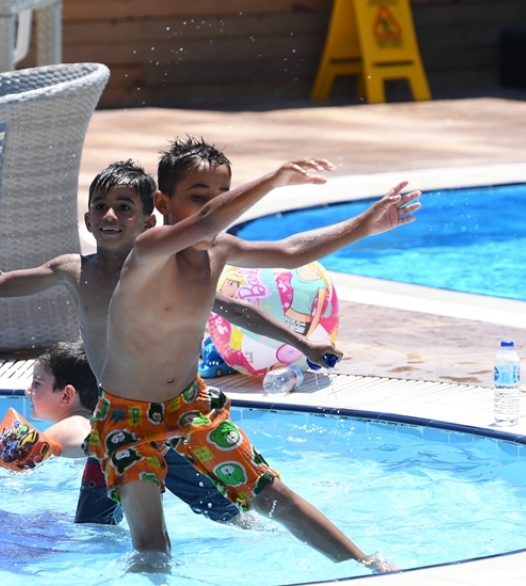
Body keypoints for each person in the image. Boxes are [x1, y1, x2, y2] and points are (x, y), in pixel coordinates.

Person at [0, 160, 339, 527]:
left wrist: (302, 344)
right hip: (113, 423)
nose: (110, 216)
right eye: (100, 206)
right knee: (93, 529)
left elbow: (234, 309)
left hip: (168, 418)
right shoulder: (73, 270)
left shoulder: (168, 272)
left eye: (124, 207)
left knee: (234, 517)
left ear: (150, 220)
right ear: (87, 219)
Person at [92, 136, 420, 573]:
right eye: (197, 195)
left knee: (274, 497)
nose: (213, 206)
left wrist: (363, 225)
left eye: (221, 195)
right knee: (153, 545)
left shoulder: (219, 250)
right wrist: (276, 179)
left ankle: (368, 567)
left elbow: (290, 252)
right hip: (127, 418)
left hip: (190, 407)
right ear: (161, 202)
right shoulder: (148, 252)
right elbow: (208, 221)